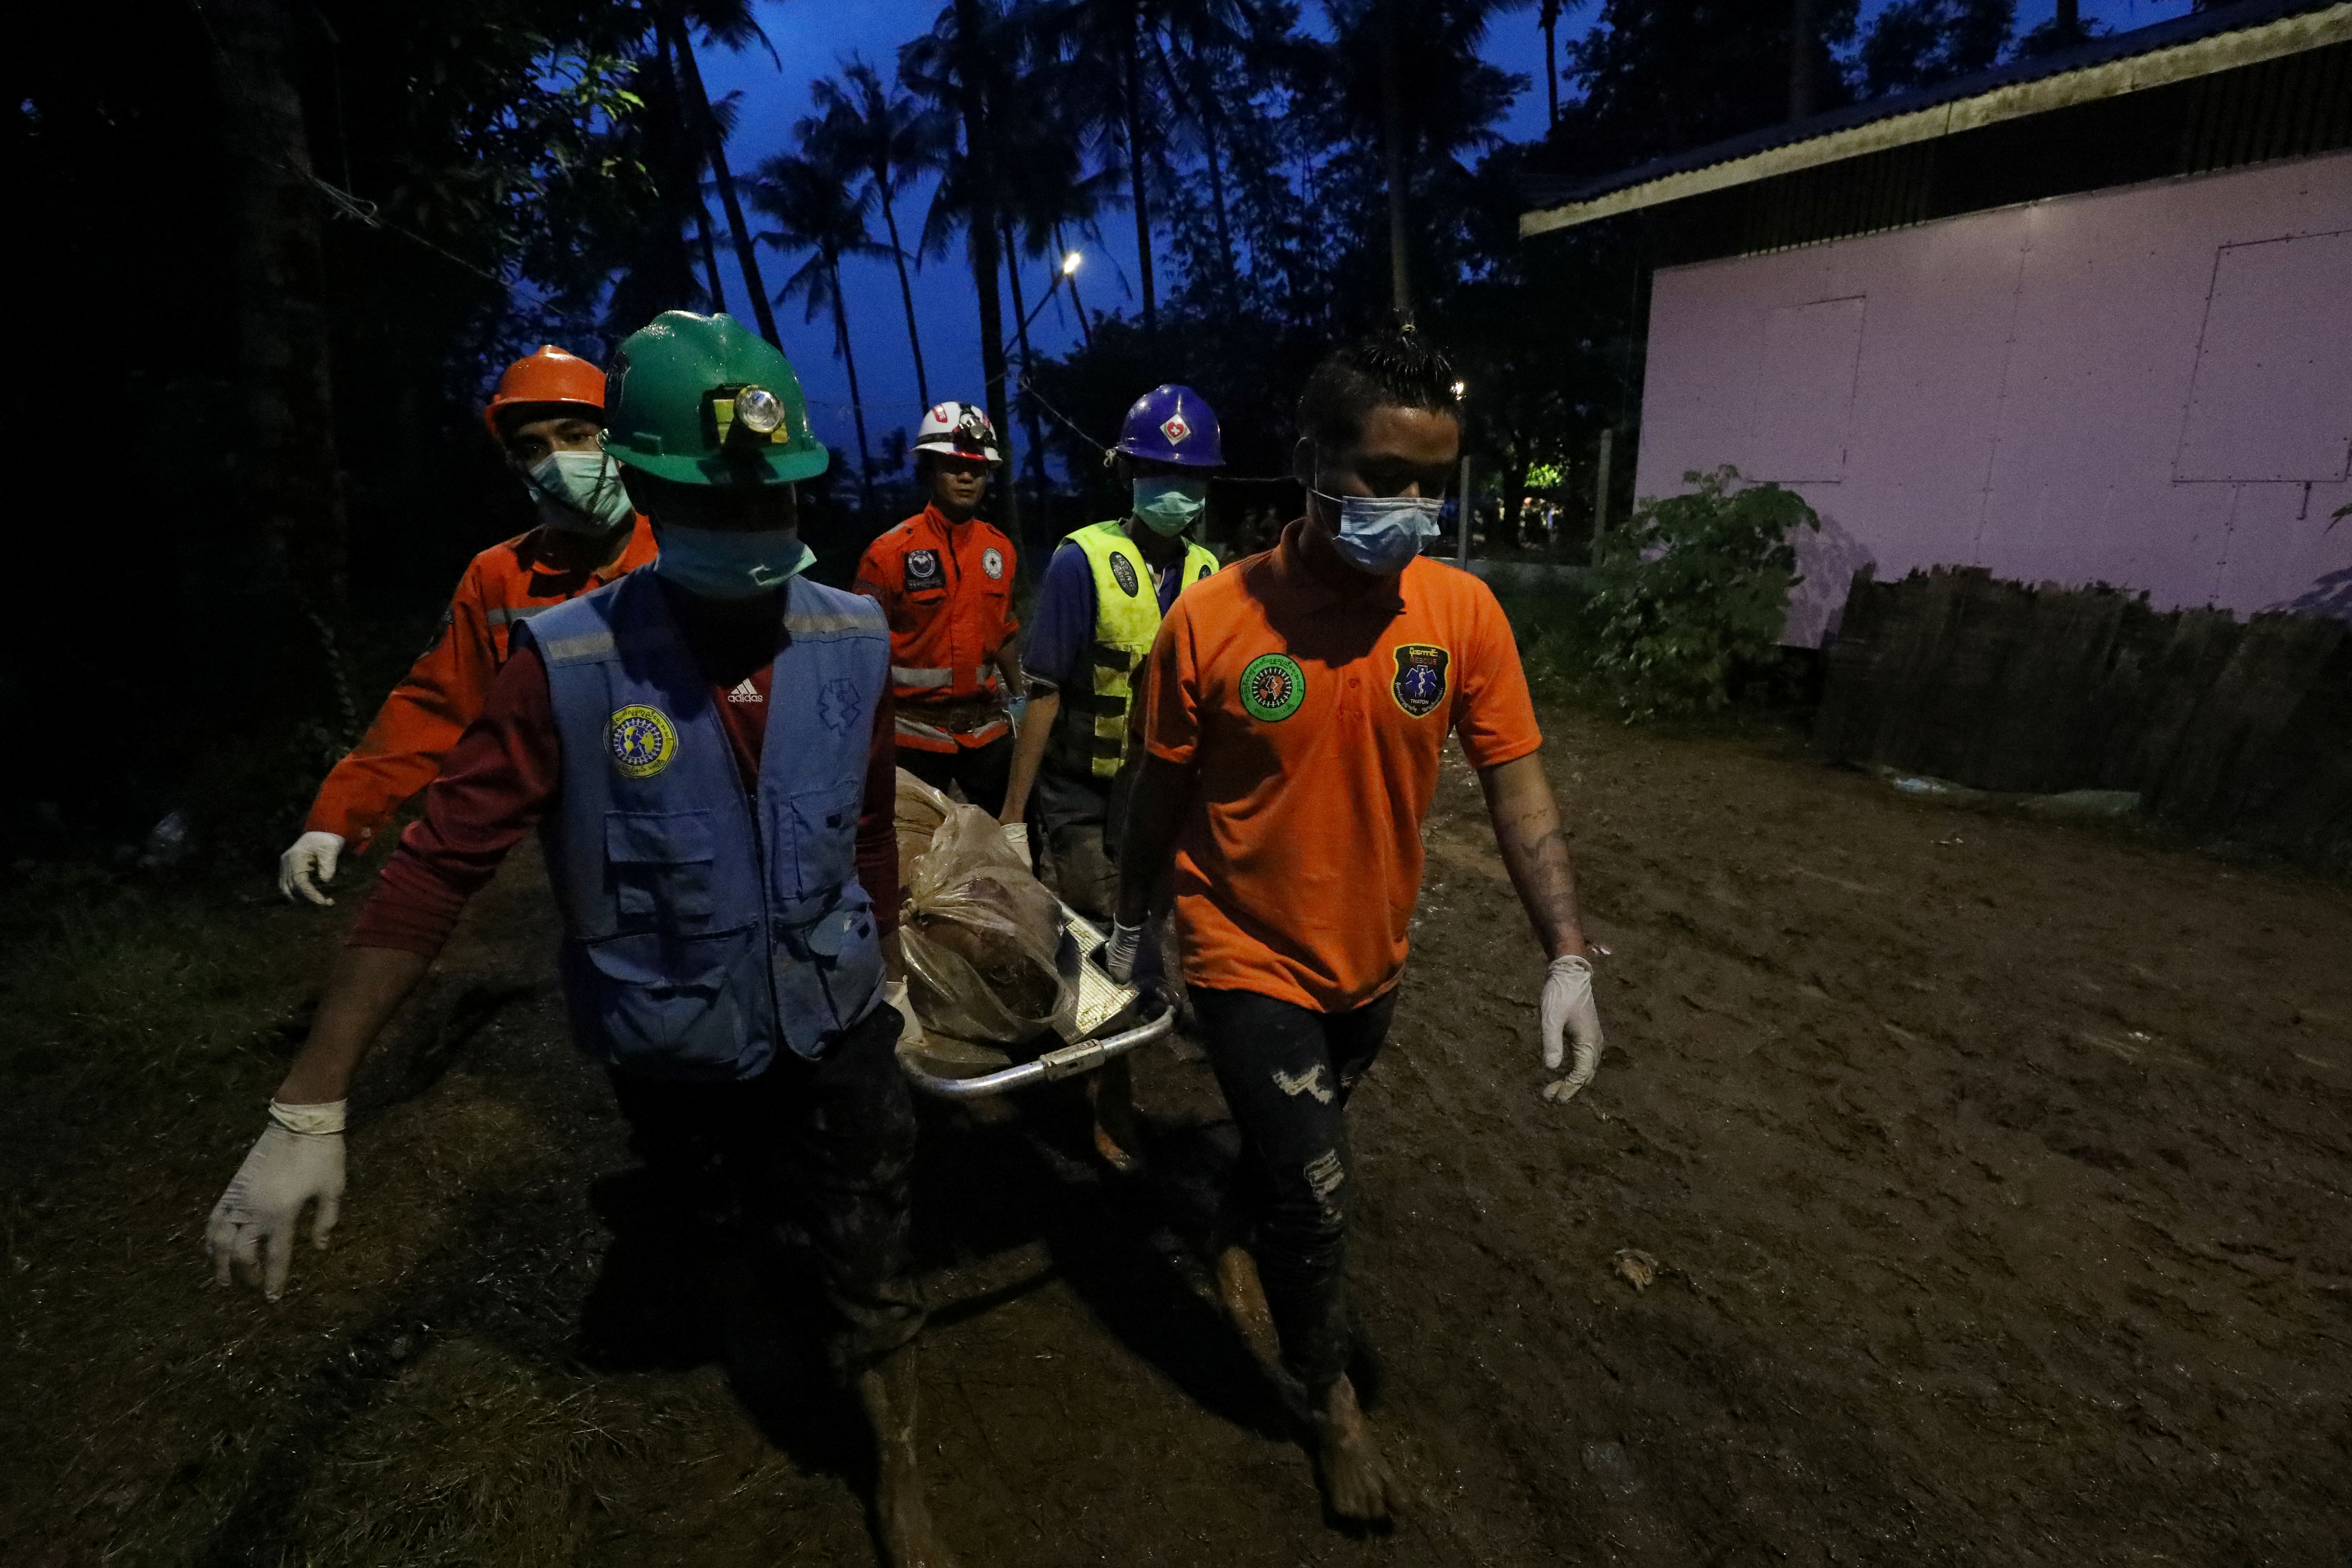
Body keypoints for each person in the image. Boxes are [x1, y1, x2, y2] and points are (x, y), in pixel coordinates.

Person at [205, 313, 957, 1568]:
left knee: (871, 1241)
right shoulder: (561, 662)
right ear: (653, 489)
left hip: (832, 1018)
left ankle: (895, 1462)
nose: (752, 533)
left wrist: (884, 968)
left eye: (772, 502)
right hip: (667, 1035)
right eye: (712, 506)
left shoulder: (853, 637)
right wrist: (310, 1102)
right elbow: (442, 859)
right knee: (711, 1218)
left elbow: (867, 827)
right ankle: (745, 1337)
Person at [1104, 331, 1605, 1526]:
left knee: (1291, 1169)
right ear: (1310, 460)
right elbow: (1158, 794)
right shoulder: (1215, 625)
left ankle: (1236, 1222)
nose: (1412, 509)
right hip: (1242, 952)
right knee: (1323, 1194)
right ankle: (1328, 1405)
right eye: (1385, 475)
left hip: (1369, 960)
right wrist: (1132, 925)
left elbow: (1518, 786)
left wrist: (1570, 954)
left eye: (1434, 481)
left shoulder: (1462, 616)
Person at [276, 345, 658, 905]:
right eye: (533, 447)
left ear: (617, 442)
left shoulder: (685, 551)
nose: (557, 459)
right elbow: (434, 706)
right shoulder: (501, 576)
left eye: (575, 435)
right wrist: (333, 819)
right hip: (588, 840)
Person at [1000, 384, 1223, 917]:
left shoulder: (1209, 574)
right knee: (1099, 912)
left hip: (1161, 787)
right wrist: (1012, 815)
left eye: (1190, 477)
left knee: (1150, 911)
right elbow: (1044, 690)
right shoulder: (1083, 561)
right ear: (1128, 475)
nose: (1176, 489)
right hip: (1083, 788)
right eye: (1158, 472)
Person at [853, 402, 1024, 826]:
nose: (967, 476)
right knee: (910, 853)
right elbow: (858, 647)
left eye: (977, 468)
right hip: (913, 734)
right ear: (928, 471)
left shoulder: (999, 549)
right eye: (952, 466)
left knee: (1016, 844)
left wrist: (1020, 696)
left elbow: (1003, 630)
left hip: (986, 730)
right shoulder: (888, 553)